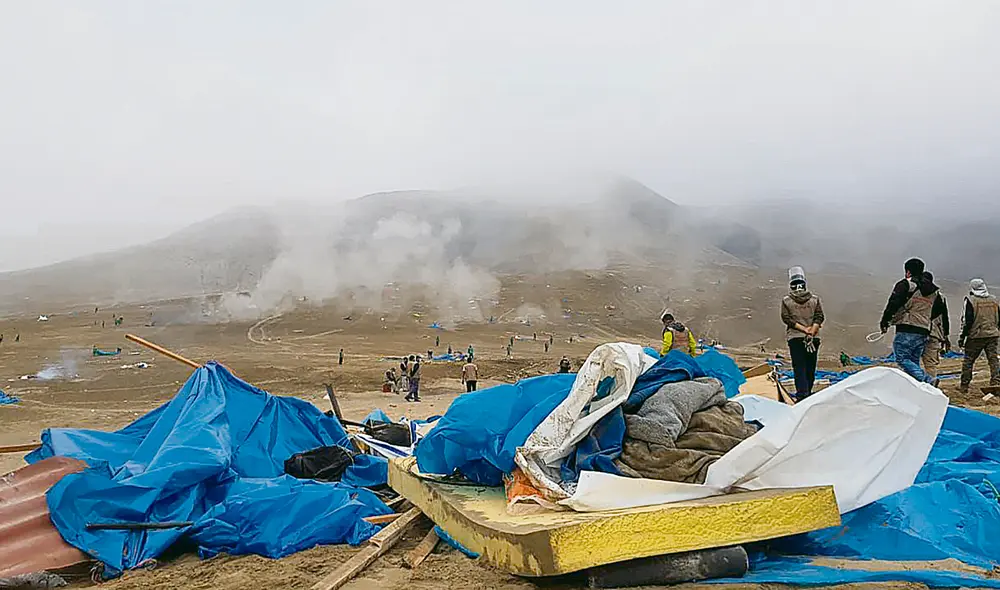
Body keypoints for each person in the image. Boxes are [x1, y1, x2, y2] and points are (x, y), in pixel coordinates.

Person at [880, 258, 945, 386]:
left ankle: (927, 381)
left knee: (901, 358)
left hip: (907, 327)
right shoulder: (934, 291)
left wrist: (885, 321)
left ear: (908, 272)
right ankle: (916, 388)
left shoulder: (906, 284)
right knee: (913, 361)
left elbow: (893, 303)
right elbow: (938, 311)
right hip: (924, 329)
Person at [780, 267, 825, 399]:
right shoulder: (814, 300)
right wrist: (812, 330)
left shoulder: (787, 301)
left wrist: (803, 329)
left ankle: (802, 395)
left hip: (795, 338)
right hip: (813, 338)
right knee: (811, 366)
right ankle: (808, 394)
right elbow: (819, 316)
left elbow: (786, 319)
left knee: (799, 367)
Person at [959, 278, 1000, 393]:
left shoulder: (971, 300)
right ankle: (996, 382)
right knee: (993, 359)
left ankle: (964, 386)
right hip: (992, 334)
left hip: (976, 336)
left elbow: (967, 321)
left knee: (968, 360)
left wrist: (962, 337)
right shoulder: (994, 300)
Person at [921, 272, 951, 379]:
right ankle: (931, 383)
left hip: (917, 331)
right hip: (934, 332)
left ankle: (914, 384)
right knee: (930, 363)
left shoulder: (915, 294)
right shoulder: (940, 297)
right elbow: (945, 318)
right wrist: (945, 336)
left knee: (912, 361)